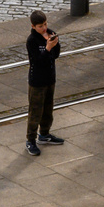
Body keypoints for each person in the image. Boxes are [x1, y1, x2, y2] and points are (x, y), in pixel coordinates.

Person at [25, 10, 63, 156]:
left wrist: (55, 44)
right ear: (33, 26)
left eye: (45, 24)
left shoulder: (50, 33)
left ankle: (44, 134)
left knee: (48, 109)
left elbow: (56, 55)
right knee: (35, 111)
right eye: (40, 26)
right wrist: (47, 48)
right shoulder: (32, 40)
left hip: (50, 78)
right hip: (37, 81)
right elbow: (37, 61)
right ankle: (30, 140)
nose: (44, 28)